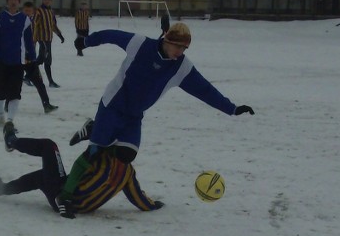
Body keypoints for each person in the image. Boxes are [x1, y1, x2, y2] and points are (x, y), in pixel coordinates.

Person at [55, 23, 255, 218]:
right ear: (166, 40)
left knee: (126, 154)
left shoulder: (181, 67)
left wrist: (232, 108)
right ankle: (65, 196)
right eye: (178, 46)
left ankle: (94, 129)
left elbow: (204, 89)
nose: (180, 52)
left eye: (184, 48)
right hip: (112, 107)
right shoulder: (141, 44)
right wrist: (87, 41)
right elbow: (111, 35)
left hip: (134, 116)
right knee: (93, 153)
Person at [0, 121, 164, 219]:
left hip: (66, 198)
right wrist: (151, 205)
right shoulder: (128, 173)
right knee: (40, 178)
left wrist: (63, 198)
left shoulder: (101, 157)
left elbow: (79, 167)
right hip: (73, 203)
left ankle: (11, 141)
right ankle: (0, 189)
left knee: (49, 147)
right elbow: (137, 197)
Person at [0, 0, 35, 129]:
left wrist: (31, 56)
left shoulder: (25, 20)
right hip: (2, 61)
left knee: (15, 92)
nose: (13, 1)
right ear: (7, 1)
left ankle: (10, 120)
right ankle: (0, 115)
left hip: (18, 62)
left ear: (19, 2)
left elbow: (29, 41)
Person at [21, 1, 58, 114]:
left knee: (39, 82)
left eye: (29, 11)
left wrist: (42, 44)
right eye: (25, 10)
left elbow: (38, 34)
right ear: (23, 11)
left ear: (33, 11)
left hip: (31, 56)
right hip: (19, 56)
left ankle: (46, 105)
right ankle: (8, 104)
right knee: (15, 82)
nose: (27, 13)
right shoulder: (19, 21)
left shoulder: (34, 21)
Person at [32, 0, 64, 88]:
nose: (47, 1)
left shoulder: (51, 12)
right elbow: (34, 24)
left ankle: (29, 76)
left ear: (51, 1)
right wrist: (33, 39)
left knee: (44, 59)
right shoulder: (39, 11)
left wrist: (60, 35)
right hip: (42, 39)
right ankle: (49, 81)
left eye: (49, 0)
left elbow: (53, 25)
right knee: (45, 59)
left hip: (48, 39)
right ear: (42, 0)